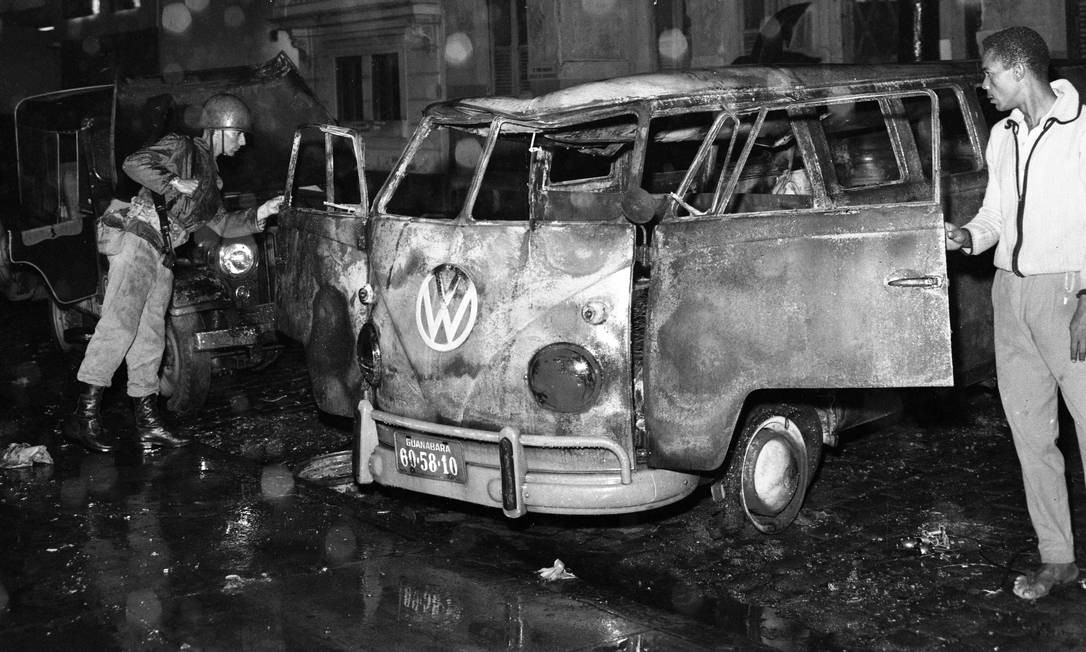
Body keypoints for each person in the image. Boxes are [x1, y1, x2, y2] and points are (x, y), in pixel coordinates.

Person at [946, 26, 1086, 600]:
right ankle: (1059, 557)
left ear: (1019, 69)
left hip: (1069, 294)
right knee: (1031, 436)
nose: (983, 86)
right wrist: (968, 236)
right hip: (1011, 293)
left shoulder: (1082, 131)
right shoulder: (1002, 136)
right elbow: (996, 214)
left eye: (989, 74)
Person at [63, 93, 283, 454]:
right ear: (219, 129)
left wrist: (262, 213)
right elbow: (134, 163)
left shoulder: (213, 180)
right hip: (138, 243)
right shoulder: (183, 148)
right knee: (119, 327)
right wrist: (172, 183)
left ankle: (147, 421)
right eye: (238, 133)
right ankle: (83, 417)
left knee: (150, 339)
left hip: (163, 255)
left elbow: (223, 224)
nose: (243, 142)